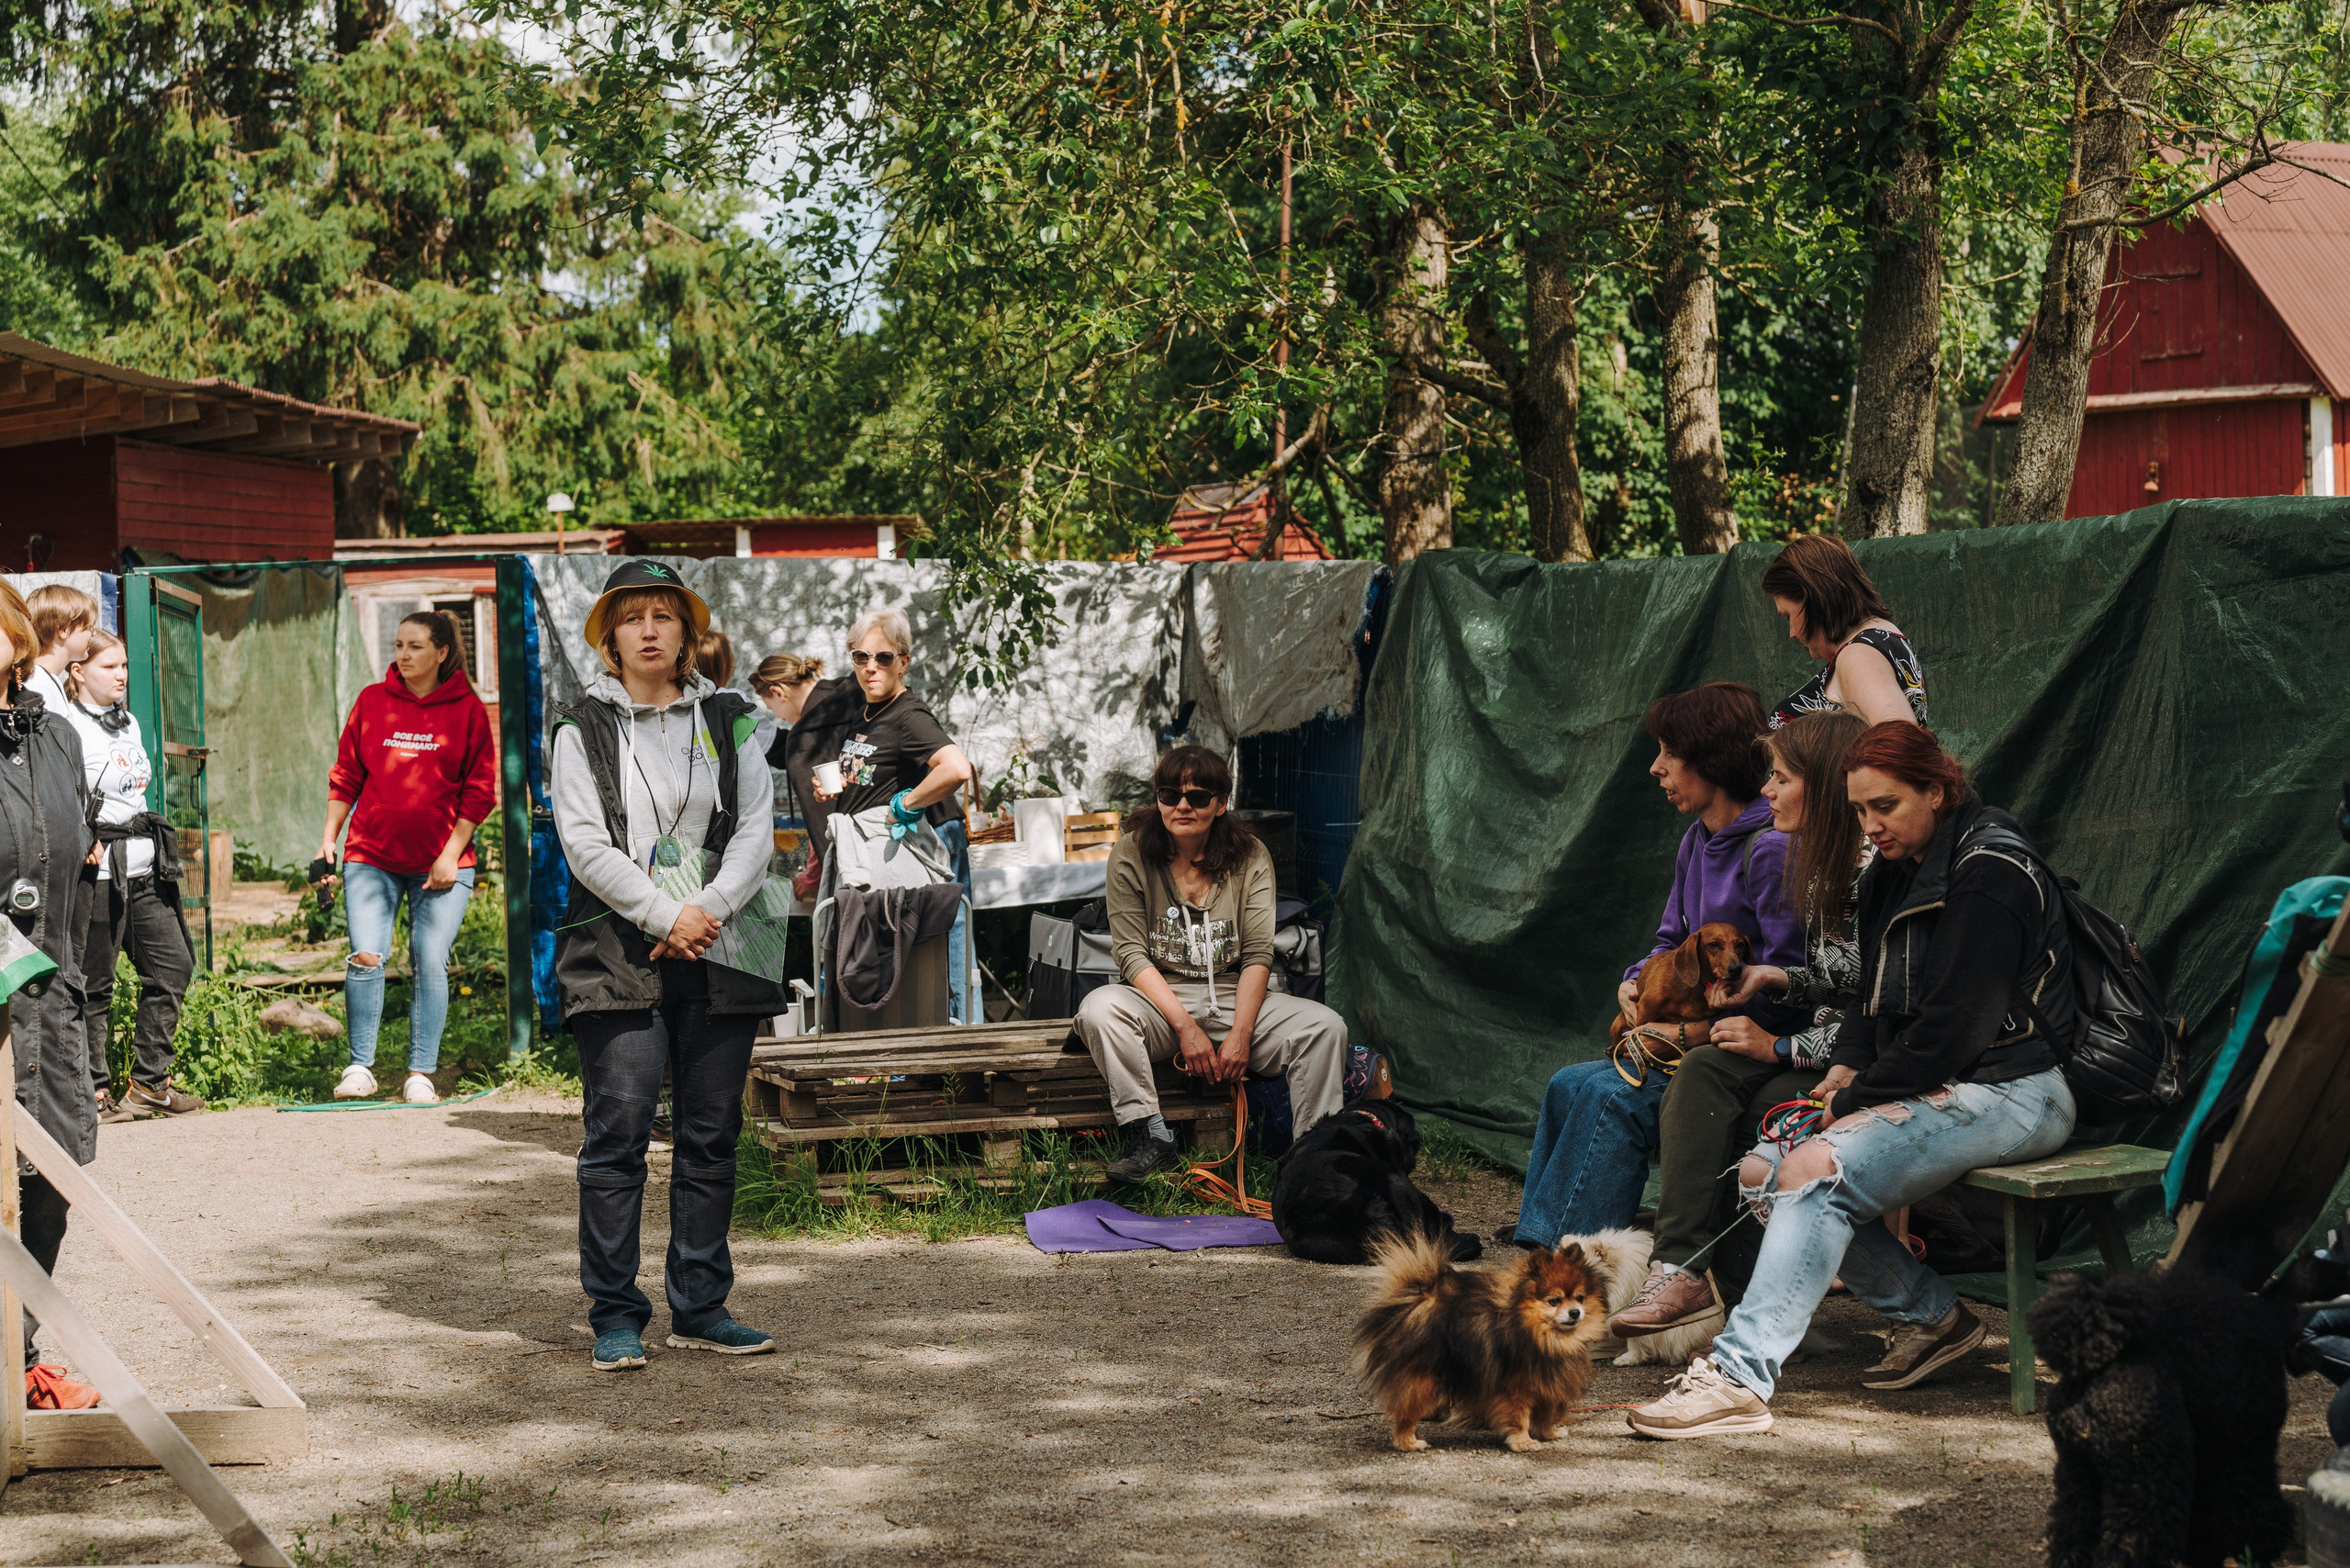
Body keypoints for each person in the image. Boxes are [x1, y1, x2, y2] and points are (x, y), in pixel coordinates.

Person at [1628, 723, 2079, 1439]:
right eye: (1862, 810)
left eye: (1887, 806)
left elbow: (1955, 1032)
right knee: (1759, 1170)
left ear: (1937, 790)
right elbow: (1870, 1000)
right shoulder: (1891, 871)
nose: (1873, 825)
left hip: (2014, 1089)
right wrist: (1842, 1068)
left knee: (1808, 1171)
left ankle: (1740, 1378)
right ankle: (1936, 1320)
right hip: (1931, 1085)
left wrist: (1853, 1098)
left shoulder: (1992, 868)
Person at [550, 559, 783, 1372]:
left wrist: (708, 910)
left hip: (724, 942)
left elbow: (759, 825)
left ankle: (702, 1305)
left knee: (712, 1136)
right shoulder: (580, 727)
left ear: (688, 630)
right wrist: (664, 913)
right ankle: (615, 1315)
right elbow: (583, 843)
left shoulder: (735, 718)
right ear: (609, 636)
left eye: (664, 615)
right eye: (631, 617)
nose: (649, 630)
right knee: (616, 1138)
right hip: (619, 946)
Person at [1506, 684, 1807, 1249]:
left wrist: (1691, 1033)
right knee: (1568, 1083)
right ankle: (1542, 1245)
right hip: (1679, 1037)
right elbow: (1668, 940)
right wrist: (1634, 980)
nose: (1656, 768)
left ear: (1711, 759)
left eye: (1669, 753)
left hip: (1744, 1050)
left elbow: (1791, 985)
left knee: (1613, 1098)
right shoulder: (1697, 840)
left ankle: (1583, 1267)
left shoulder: (1769, 850)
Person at [1609, 711, 1869, 1336]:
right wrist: (1775, 979)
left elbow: (1881, 1005)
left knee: (1750, 1118)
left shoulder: (1867, 870)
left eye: (1779, 779)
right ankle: (1680, 1271)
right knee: (1697, 1076)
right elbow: (1832, 980)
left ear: (1825, 787)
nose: (1766, 791)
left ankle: (1754, 1314)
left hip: (1866, 1063)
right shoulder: (1807, 861)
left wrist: (1780, 1042)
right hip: (1812, 1047)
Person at [1074, 745, 1348, 1183]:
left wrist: (1241, 1034)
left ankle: (1313, 1162)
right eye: (1169, 795)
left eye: (1199, 797)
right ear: (1158, 800)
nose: (1182, 806)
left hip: (1234, 990)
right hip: (1162, 997)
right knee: (1099, 1008)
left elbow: (1259, 952)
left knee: (1326, 1027)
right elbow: (1130, 953)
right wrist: (1186, 1027)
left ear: (1221, 804)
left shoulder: (1250, 855)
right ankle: (1152, 1134)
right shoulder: (1130, 852)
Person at [319, 610, 496, 1104]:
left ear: (442, 652)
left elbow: (480, 792)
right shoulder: (372, 702)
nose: (403, 654)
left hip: (443, 864)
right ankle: (360, 1068)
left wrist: (451, 853)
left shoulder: (467, 710)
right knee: (366, 956)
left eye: (415, 646)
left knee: (429, 959)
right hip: (371, 855)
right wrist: (329, 837)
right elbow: (347, 774)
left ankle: (420, 1073)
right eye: (398, 645)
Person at [0, 579, 102, 1409]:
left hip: (51, 1009)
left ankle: (16, 1354)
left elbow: (67, 886)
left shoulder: (58, 739)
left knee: (49, 1190)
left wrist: (73, 992)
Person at [811, 607, 976, 1021]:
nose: (871, 667)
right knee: (874, 960)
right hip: (867, 858)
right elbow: (874, 769)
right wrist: (842, 783)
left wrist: (907, 803)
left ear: (903, 661)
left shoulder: (908, 715)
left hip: (896, 857)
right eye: (861, 657)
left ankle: (933, 1048)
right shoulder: (868, 711)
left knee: (908, 959)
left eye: (883, 657)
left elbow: (957, 768)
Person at [62, 630, 200, 1121]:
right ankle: (94, 1092)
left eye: (124, 666)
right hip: (96, 875)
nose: (121, 676)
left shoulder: (129, 723)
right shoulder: (67, 725)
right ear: (78, 672)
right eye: (109, 667)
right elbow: (65, 799)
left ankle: (148, 1084)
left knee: (173, 967)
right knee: (94, 985)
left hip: (145, 869)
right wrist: (83, 840)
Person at [1762, 534, 1928, 730]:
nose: (1791, 633)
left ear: (1813, 599)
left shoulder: (1859, 656)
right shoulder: (1881, 636)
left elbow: (1898, 744)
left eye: (1788, 616)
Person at [23, 583, 97, 717]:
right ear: (63, 630)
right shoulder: (39, 686)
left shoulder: (47, 680)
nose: (93, 634)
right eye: (89, 627)